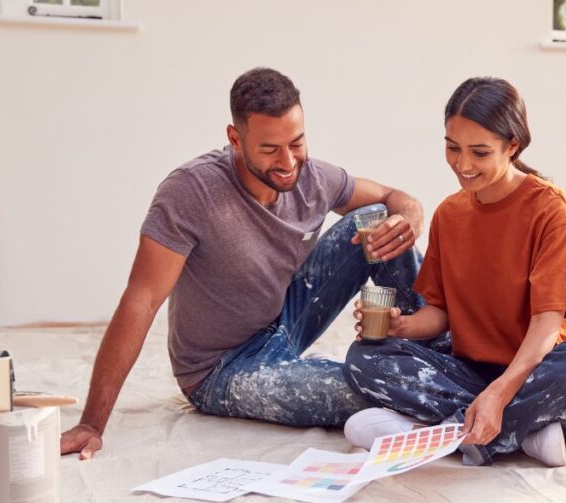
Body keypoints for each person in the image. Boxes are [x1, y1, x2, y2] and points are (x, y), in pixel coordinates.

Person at [60, 67, 431, 459]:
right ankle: (445, 388)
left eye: (297, 142)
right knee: (367, 386)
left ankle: (448, 354)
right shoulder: (191, 191)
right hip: (223, 369)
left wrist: (409, 216)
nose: (288, 161)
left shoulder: (313, 176)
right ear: (235, 139)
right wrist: (91, 423)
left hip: (285, 322)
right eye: (270, 149)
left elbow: (394, 196)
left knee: (375, 217)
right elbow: (142, 299)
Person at [341, 77, 566, 467]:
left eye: (479, 152)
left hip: (546, 380)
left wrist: (502, 393)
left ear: (512, 146)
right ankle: (521, 433)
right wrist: (400, 327)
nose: (463, 164)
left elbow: (547, 324)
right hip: (475, 375)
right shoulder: (451, 213)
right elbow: (440, 314)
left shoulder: (554, 214)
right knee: (363, 357)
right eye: (452, 147)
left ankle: (447, 433)